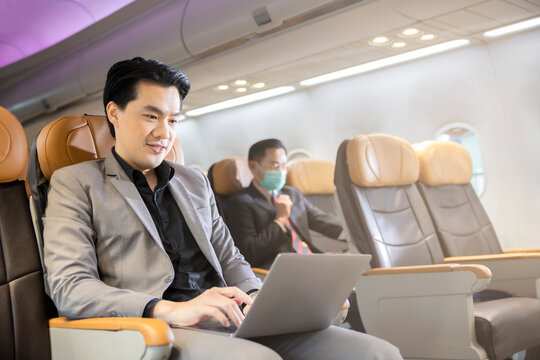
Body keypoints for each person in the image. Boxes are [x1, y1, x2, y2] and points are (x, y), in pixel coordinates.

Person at [43, 57, 402, 360]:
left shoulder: (193, 181)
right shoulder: (76, 183)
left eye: (172, 120)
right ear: (114, 114)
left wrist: (262, 302)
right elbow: (70, 287)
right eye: (151, 116)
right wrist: (169, 308)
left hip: (228, 315)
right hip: (157, 327)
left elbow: (231, 260)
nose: (164, 132)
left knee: (377, 353)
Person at [226, 139, 345, 269]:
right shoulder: (240, 202)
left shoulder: (292, 194)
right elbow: (249, 252)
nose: (281, 171)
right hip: (278, 269)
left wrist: (352, 230)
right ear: (253, 167)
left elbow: (320, 220)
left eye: (284, 165)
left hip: (310, 260)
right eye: (275, 166)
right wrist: (280, 220)